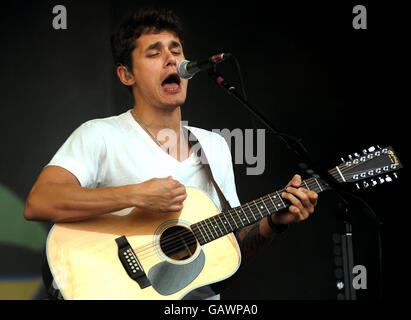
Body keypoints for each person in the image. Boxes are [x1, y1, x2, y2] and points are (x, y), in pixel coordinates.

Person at [24, 7, 318, 299]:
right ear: (126, 74)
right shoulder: (100, 135)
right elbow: (39, 202)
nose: (171, 59)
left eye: (176, 50)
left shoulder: (214, 146)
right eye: (154, 53)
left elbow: (233, 248)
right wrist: (136, 195)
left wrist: (274, 223)